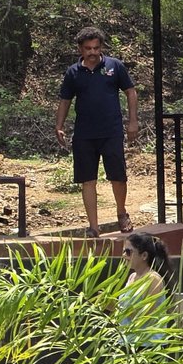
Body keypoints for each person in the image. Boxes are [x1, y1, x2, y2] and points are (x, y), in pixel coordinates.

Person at [55, 26, 139, 238]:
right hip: (84, 133)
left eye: (96, 48)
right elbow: (65, 100)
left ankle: (121, 213)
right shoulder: (73, 72)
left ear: (101, 47)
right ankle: (94, 226)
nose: (92, 52)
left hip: (111, 130)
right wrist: (59, 126)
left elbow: (130, 92)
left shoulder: (115, 66)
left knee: (118, 176)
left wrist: (133, 122)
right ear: (80, 50)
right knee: (87, 179)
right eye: (88, 48)